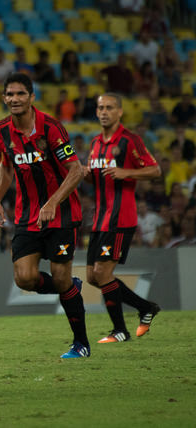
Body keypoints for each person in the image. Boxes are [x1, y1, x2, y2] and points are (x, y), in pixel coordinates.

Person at [0, 72, 89, 359]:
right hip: (27, 215)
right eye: (9, 94)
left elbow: (76, 170)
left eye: (20, 94)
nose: (14, 99)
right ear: (4, 98)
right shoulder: (3, 130)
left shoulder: (51, 128)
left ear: (32, 97)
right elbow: (7, 166)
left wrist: (53, 202)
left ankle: (81, 343)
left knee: (60, 277)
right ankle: (69, 287)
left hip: (62, 214)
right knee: (24, 279)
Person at [84, 93, 162, 343]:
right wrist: (81, 172)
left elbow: (155, 170)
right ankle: (145, 307)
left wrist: (125, 172)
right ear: (96, 112)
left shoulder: (130, 140)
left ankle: (120, 330)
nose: (104, 112)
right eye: (100, 108)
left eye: (109, 107)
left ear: (120, 111)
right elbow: (94, 178)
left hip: (120, 218)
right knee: (92, 277)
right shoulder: (95, 142)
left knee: (103, 273)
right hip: (100, 218)